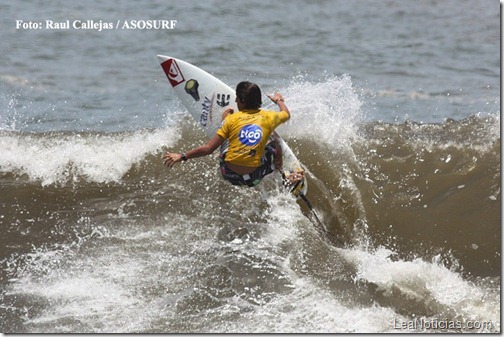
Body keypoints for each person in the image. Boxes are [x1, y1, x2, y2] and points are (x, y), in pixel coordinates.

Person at [162, 81, 302, 187]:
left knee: (228, 135)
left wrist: (181, 156)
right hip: (254, 178)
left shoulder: (231, 119)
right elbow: (286, 114)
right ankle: (283, 176)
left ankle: (224, 129)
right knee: (276, 145)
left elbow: (209, 149)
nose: (235, 100)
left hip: (229, 175)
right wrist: (279, 101)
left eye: (237, 98)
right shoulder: (269, 117)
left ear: (242, 100)